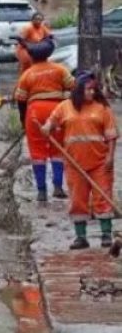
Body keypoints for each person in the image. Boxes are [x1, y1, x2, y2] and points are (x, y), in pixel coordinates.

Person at [42, 72, 117, 249]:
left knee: (103, 197)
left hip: (100, 162)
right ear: (79, 91)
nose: (91, 92)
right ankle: (81, 237)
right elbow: (50, 123)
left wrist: (110, 157)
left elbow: (112, 137)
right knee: (78, 200)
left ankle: (106, 235)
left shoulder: (102, 109)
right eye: (88, 89)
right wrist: (46, 128)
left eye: (93, 89)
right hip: (74, 163)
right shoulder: (64, 107)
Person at [14, 40, 73, 202]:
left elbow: (21, 99)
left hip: (35, 113)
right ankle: (58, 186)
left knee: (37, 151)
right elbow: (73, 87)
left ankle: (41, 190)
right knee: (58, 149)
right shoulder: (60, 69)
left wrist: (22, 120)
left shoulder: (27, 74)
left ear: (32, 56)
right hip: (58, 111)